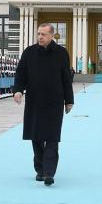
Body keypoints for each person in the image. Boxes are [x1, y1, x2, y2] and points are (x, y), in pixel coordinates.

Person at [13, 23, 74, 187]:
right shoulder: (29, 52)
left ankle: (49, 173)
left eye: (44, 34)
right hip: (34, 101)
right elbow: (21, 74)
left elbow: (66, 79)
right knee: (37, 137)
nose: (40, 37)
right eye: (38, 34)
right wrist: (18, 90)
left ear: (52, 36)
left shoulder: (61, 53)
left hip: (54, 102)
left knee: (52, 138)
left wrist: (69, 100)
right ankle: (40, 169)